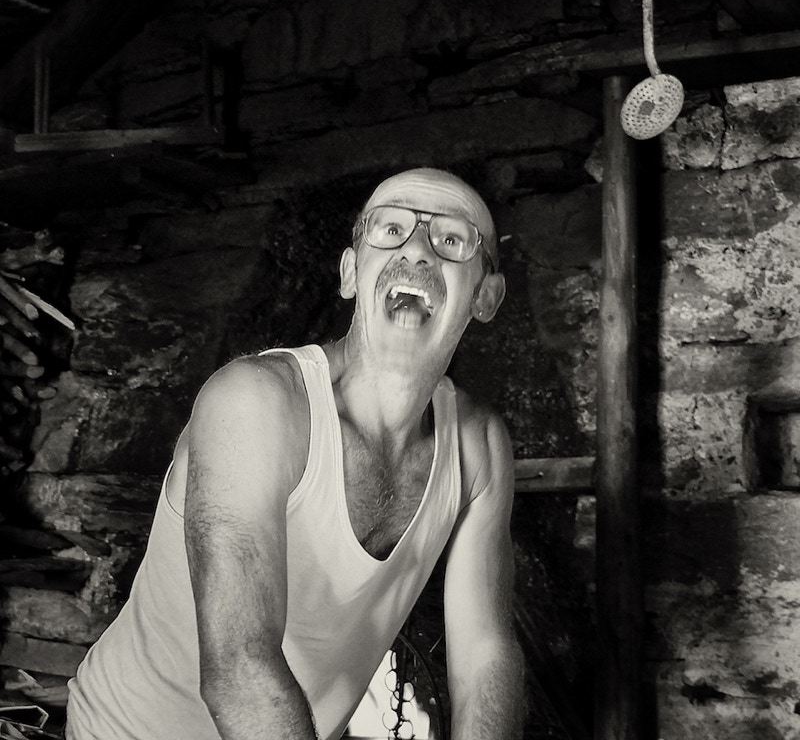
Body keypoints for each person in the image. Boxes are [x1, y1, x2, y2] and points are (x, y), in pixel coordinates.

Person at [66, 167, 526, 740]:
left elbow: (485, 657)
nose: (416, 251)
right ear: (351, 273)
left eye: (451, 239)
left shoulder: (478, 445)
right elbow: (240, 666)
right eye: (391, 230)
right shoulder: (255, 402)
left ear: (485, 296)